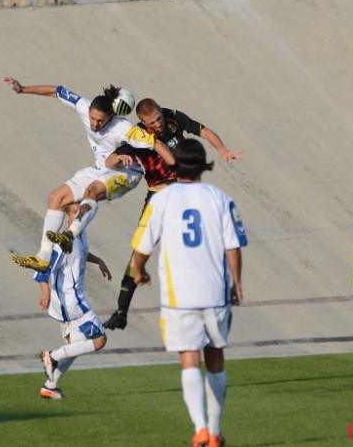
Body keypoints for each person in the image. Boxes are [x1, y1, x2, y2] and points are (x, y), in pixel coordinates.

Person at [130, 138, 246, 447]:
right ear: (203, 164)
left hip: (178, 296)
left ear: (176, 164)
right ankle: (215, 429)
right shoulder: (220, 197)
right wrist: (237, 283)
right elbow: (233, 246)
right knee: (216, 357)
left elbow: (142, 246)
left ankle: (200, 430)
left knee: (189, 358)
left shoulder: (163, 199)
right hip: (215, 292)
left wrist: (138, 271)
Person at [4, 78, 174, 272]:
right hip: (100, 169)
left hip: (126, 173)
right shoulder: (84, 106)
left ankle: (69, 235)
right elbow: (56, 91)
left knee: (91, 190)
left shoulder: (124, 129)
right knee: (56, 197)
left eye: (100, 120)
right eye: (92, 118)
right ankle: (43, 258)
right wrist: (23, 89)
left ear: (111, 117)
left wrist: (175, 168)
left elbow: (157, 144)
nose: (94, 124)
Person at [102, 98, 243, 331]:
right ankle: (121, 312)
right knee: (138, 255)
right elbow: (109, 159)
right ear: (143, 123)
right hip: (156, 197)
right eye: (152, 123)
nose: (158, 125)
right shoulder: (136, 135)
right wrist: (119, 159)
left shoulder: (173, 117)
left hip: (182, 192)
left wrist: (222, 149)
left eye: (159, 118)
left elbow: (202, 130)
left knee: (194, 247)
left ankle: (210, 301)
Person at [35, 202, 112, 399]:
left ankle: (49, 387)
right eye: (75, 213)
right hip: (72, 304)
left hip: (73, 302)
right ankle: (51, 356)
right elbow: (42, 267)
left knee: (76, 346)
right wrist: (45, 292)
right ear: (67, 217)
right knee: (99, 340)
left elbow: (82, 254)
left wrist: (99, 261)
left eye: (82, 213)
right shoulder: (62, 243)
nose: (80, 217)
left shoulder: (80, 234)